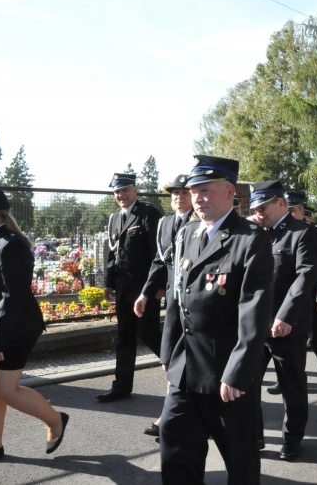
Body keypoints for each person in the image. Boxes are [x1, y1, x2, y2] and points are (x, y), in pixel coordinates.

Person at [159, 155, 273, 484]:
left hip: (227, 374)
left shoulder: (249, 239)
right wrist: (168, 352)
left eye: (206, 191)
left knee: (240, 460)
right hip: (186, 367)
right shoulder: (188, 233)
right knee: (176, 447)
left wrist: (237, 373)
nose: (198, 198)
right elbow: (177, 296)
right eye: (194, 191)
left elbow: (254, 313)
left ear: (229, 192)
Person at [0, 188, 68, 464]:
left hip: (12, 328)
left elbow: (12, 297)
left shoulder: (11, 244)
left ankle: (55, 420)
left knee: (4, 389)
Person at [250, 181, 317, 461]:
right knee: (248, 382)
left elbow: (306, 276)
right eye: (254, 208)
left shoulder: (303, 233)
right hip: (255, 325)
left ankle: (292, 438)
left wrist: (286, 315)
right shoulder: (255, 233)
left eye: (262, 207)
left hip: (286, 327)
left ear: (280, 203)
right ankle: (254, 436)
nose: (259, 213)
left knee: (291, 385)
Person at [134, 174, 194, 437]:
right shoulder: (166, 223)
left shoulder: (200, 221)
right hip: (172, 301)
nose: (178, 198)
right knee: (172, 360)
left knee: (189, 361)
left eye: (183, 193)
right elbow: (160, 261)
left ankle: (170, 419)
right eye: (174, 194)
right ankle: (172, 418)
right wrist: (145, 294)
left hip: (196, 302)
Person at [98, 173, 163, 403]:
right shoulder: (115, 218)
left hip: (144, 289)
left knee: (149, 334)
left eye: (125, 190)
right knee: (124, 338)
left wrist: (157, 286)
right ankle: (121, 386)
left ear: (135, 190)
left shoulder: (148, 214)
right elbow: (112, 253)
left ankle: (179, 371)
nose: (120, 195)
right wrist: (108, 282)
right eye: (117, 192)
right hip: (124, 288)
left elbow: (159, 254)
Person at [286, 191, 317, 386]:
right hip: (287, 294)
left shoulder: (315, 231)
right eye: (287, 210)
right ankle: (286, 378)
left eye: (293, 210)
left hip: (311, 293)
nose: (289, 214)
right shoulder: (278, 231)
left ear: (301, 211)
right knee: (287, 339)